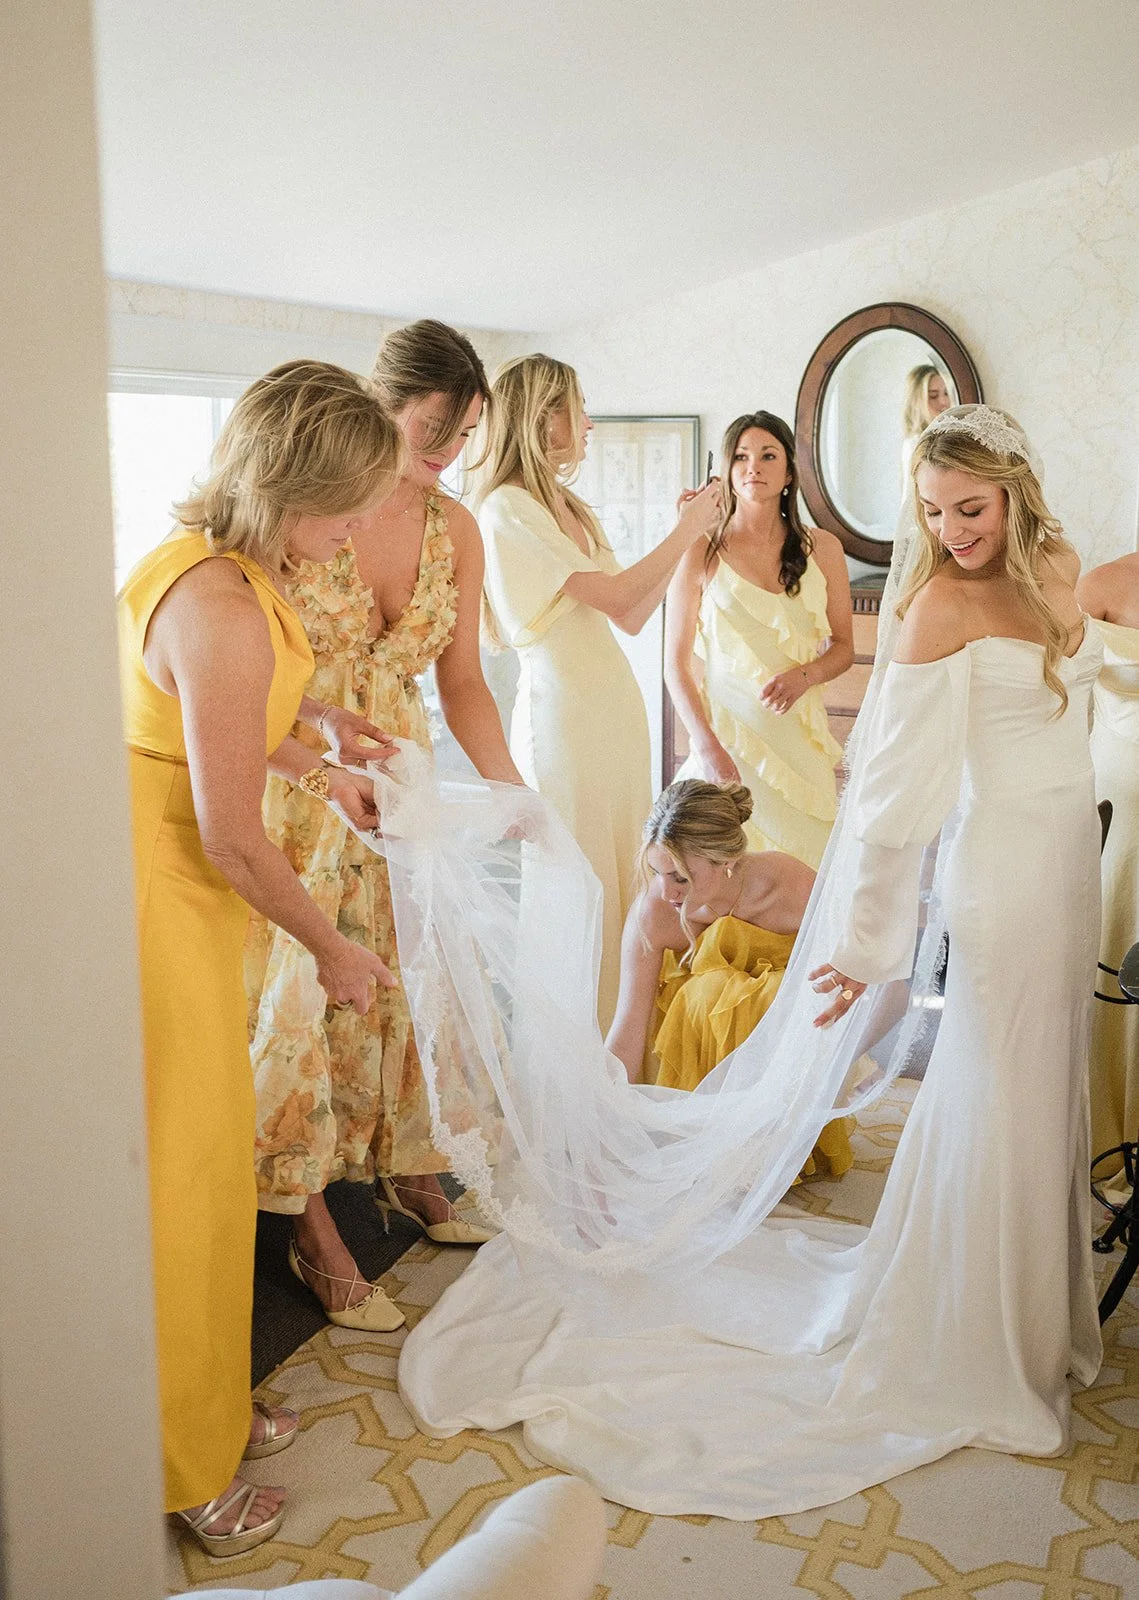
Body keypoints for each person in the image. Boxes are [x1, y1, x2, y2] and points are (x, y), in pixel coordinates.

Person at [394, 404, 1105, 1520]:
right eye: (929, 511)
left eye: (969, 508)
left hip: (1071, 857)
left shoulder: (1056, 567)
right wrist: (867, 942)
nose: (951, 529)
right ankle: (982, 1334)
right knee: (1003, 1083)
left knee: (1045, 1075)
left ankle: (1033, 1317)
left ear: (1016, 490)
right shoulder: (932, 609)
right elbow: (886, 800)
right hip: (1005, 874)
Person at [119, 361, 402, 1553]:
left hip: (178, 891)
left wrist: (318, 741)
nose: (350, 538)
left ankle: (197, 1399)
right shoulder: (224, 606)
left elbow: (208, 731)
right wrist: (334, 948)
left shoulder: (209, 562)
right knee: (184, 1184)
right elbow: (232, 837)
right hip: (163, 907)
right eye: (345, 512)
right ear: (293, 494)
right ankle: (185, 1469)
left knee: (197, 1168)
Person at [248, 321, 521, 1332]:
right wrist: (314, 761)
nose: (447, 447)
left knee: (408, 975)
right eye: (433, 424)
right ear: (382, 401)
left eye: (464, 430)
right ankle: (310, 1225)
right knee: (302, 991)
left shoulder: (459, 527)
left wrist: (511, 794)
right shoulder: (305, 501)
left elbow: (464, 686)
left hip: (395, 769)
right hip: (292, 768)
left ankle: (407, 1161)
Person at [476, 353, 722, 1029]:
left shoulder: (571, 507)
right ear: (540, 417)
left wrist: (685, 541)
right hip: (566, 718)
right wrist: (685, 530)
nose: (586, 423)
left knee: (627, 879)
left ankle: (622, 1051)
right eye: (574, 408)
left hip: (614, 713)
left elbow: (631, 613)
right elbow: (615, 593)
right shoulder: (507, 508)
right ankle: (571, 1068)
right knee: (579, 888)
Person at [606, 778, 855, 1175]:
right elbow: (629, 1027)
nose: (667, 891)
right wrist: (604, 1117)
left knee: (772, 991)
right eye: (657, 872)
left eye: (680, 877)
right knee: (706, 992)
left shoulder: (794, 889)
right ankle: (705, 1134)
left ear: (728, 863)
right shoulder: (655, 912)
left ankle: (773, 1145)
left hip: (790, 1038)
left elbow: (860, 979)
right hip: (696, 1044)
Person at [665, 411, 853, 869]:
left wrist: (804, 676)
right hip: (726, 747)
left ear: (789, 472)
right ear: (727, 471)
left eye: (768, 455)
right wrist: (706, 747)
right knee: (722, 878)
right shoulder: (700, 549)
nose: (754, 466)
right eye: (742, 457)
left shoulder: (822, 548)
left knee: (805, 877)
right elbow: (675, 665)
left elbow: (845, 647)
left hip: (800, 747)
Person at [1077, 552, 1139, 1179]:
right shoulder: (1099, 583)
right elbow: (1059, 705)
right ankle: (1109, 1143)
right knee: (1113, 959)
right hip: (1117, 814)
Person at [900, 363, 953, 489]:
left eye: (946, 393)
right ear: (918, 401)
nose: (944, 402)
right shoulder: (914, 444)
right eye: (933, 396)